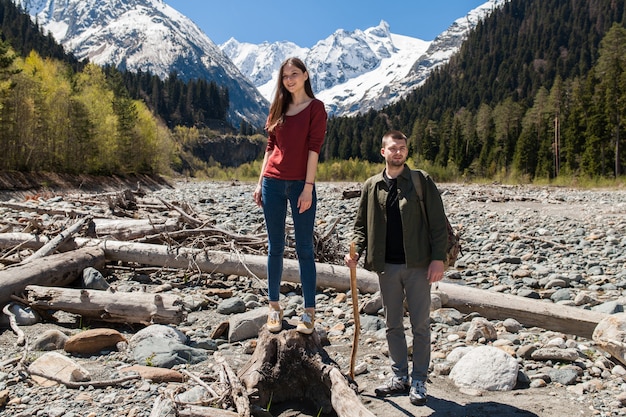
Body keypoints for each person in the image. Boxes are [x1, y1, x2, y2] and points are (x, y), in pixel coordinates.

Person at [344, 130, 447, 406]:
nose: (398, 152)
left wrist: (439, 259)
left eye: (402, 148)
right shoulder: (371, 186)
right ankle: (399, 376)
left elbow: (439, 224)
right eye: (393, 148)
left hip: (418, 265)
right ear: (383, 152)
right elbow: (360, 227)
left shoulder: (420, 181)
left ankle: (419, 381)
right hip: (386, 267)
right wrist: (355, 251)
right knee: (392, 325)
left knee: (420, 325)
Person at [253, 57, 327, 335]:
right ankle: (274, 307)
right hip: (272, 182)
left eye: (295, 74)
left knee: (305, 249)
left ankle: (309, 312)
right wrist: (260, 182)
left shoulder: (316, 108)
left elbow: (314, 149)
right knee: (275, 247)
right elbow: (270, 148)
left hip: (300, 185)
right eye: (285, 76)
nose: (289, 79)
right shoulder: (278, 107)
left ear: (306, 75)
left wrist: (308, 186)